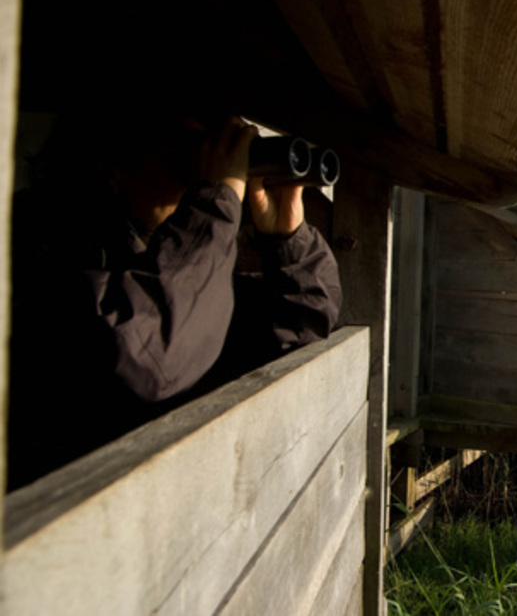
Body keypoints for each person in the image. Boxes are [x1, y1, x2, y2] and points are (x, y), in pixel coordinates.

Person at [8, 113, 343, 489]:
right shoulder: (42, 253)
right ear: (114, 171)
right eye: (183, 155)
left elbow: (303, 324)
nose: (203, 174)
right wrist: (217, 199)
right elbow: (152, 350)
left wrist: (286, 238)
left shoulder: (171, 267)